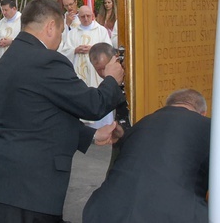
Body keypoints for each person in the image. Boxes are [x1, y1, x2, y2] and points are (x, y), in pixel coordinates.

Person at [0, 0, 125, 222]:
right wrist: (112, 79)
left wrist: (91, 135)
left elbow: (36, 112)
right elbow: (93, 105)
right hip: (26, 186)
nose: (61, 39)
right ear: (50, 27)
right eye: (62, 32)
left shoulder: (11, 56)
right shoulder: (47, 61)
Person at [82, 89, 211, 223]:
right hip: (173, 214)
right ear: (203, 113)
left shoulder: (141, 124)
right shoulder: (209, 127)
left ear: (168, 106)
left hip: (102, 210)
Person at [61, 6, 112, 90]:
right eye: (82, 16)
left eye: (88, 15)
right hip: (79, 70)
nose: (86, 18)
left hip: (95, 72)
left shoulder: (101, 31)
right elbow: (65, 52)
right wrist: (75, 50)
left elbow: (108, 50)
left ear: (92, 16)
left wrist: (93, 49)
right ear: (78, 17)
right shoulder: (72, 33)